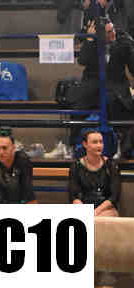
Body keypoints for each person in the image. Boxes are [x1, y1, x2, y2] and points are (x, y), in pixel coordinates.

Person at [70, 19, 134, 153]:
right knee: (77, 107)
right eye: (109, 32)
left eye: (113, 29)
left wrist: (131, 49)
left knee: (116, 103)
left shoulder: (123, 42)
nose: (113, 34)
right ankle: (73, 145)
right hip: (94, 86)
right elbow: (82, 60)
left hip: (116, 87)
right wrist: (89, 39)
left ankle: (121, 145)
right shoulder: (93, 42)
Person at [69, 130, 121, 288]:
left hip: (105, 208)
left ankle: (106, 272)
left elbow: (114, 196)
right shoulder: (76, 166)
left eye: (101, 142)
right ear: (85, 144)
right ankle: (81, 270)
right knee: (77, 224)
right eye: (95, 142)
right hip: (84, 206)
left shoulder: (111, 165)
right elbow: (74, 195)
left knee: (103, 222)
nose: (99, 145)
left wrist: (95, 212)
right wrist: (83, 211)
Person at [0, 129, 36, 204]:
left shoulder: (23, 160)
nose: (1, 152)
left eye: (4, 148)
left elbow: (29, 194)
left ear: (13, 148)